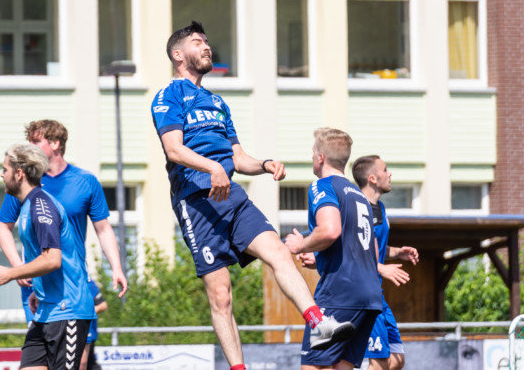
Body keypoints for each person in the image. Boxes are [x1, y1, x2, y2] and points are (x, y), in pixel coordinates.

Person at [151, 21, 354, 370]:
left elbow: (237, 158)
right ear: (178, 54)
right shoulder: (168, 95)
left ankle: (318, 323)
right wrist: (211, 168)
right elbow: (174, 150)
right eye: (198, 42)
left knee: (277, 250)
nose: (206, 46)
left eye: (207, 41)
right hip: (196, 200)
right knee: (221, 294)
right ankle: (238, 368)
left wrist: (264, 163)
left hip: (231, 196)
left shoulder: (217, 102)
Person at [0, 120, 127, 325]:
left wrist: (117, 268)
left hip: (71, 281)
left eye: (35, 142)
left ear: (55, 143)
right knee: (39, 352)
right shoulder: (24, 182)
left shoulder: (85, 181)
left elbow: (103, 229)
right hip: (35, 281)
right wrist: (17, 266)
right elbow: (3, 226)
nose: (29, 147)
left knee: (76, 356)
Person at [0, 144, 94, 369]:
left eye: (5, 169)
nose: (1, 174)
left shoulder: (41, 206)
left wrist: (10, 273)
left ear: (19, 173)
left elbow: (52, 259)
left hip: (68, 310)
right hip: (46, 310)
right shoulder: (28, 205)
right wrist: (38, 288)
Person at [284, 128, 383, 370]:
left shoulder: (322, 185)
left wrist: (301, 244)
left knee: (313, 367)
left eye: (312, 152)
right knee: (341, 366)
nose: (311, 157)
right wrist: (319, 258)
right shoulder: (360, 197)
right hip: (370, 296)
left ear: (320, 158)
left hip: (340, 293)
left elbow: (329, 230)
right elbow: (368, 250)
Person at [351, 155, 419, 370]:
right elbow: (352, 252)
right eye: (385, 170)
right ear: (372, 178)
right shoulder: (356, 209)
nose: (389, 174)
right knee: (380, 362)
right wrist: (380, 267)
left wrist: (397, 252)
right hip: (360, 295)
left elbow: (373, 248)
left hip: (376, 294)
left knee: (397, 360)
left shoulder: (379, 207)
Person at [81, 278, 107, 370]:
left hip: (88, 331)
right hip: (65, 329)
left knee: (86, 363)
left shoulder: (89, 283)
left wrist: (85, 313)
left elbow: (103, 305)